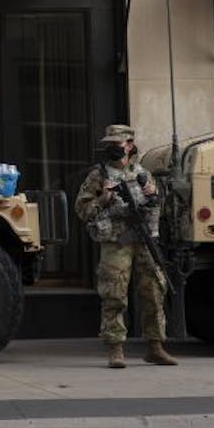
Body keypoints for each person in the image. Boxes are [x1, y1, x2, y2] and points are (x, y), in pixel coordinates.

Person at [75, 124, 179, 369]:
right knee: (114, 294)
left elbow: (157, 209)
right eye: (109, 144)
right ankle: (115, 349)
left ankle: (155, 347)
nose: (112, 148)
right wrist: (104, 197)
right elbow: (82, 209)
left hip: (144, 240)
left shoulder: (143, 172)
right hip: (116, 242)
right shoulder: (99, 175)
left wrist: (153, 196)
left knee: (154, 291)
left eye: (117, 143)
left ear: (130, 145)